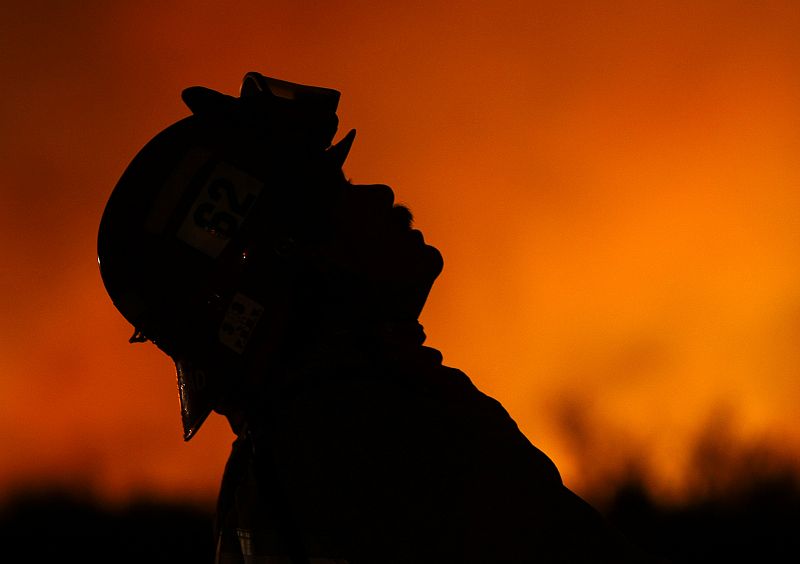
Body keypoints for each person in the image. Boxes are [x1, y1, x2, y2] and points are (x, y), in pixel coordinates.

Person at [97, 72, 660, 563]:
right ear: (293, 255)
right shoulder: (390, 440)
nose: (381, 191)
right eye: (335, 193)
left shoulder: (275, 466)